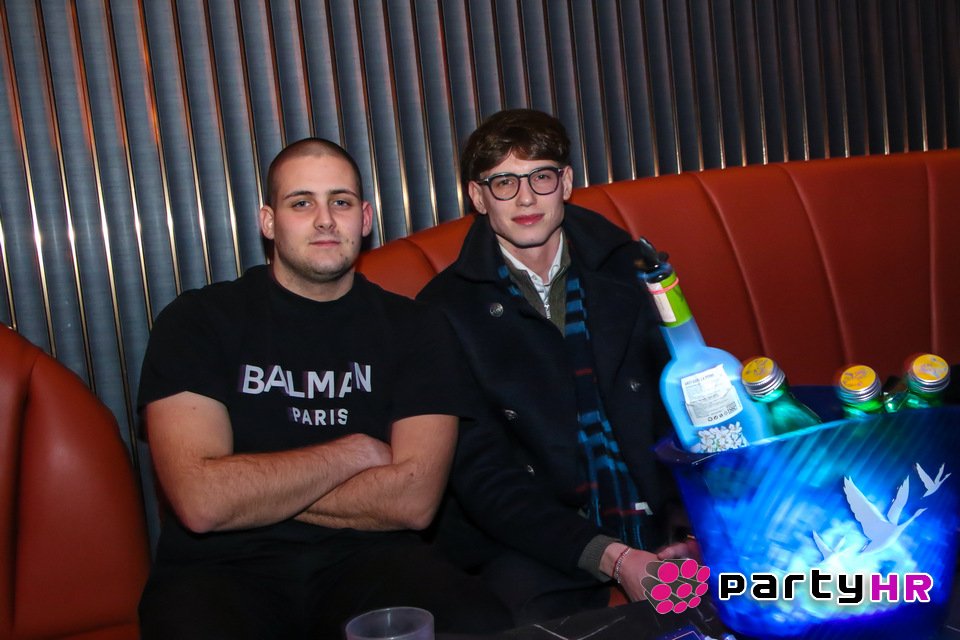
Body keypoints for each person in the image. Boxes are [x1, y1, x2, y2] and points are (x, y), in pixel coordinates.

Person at [137, 138, 512, 639]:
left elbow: (414, 501)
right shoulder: (197, 321)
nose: (325, 220)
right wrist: (354, 453)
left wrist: (248, 487)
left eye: (341, 201)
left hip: (372, 560)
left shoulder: (416, 327)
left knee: (480, 624)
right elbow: (202, 502)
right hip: (220, 570)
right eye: (301, 203)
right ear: (269, 221)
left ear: (365, 218)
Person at [417, 109, 695, 623]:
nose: (525, 199)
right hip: (540, 534)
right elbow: (482, 477)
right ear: (477, 197)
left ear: (565, 182)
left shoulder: (634, 268)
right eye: (503, 182)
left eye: (540, 176)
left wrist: (691, 525)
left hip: (658, 510)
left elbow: (685, 402)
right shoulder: (443, 311)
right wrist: (612, 557)